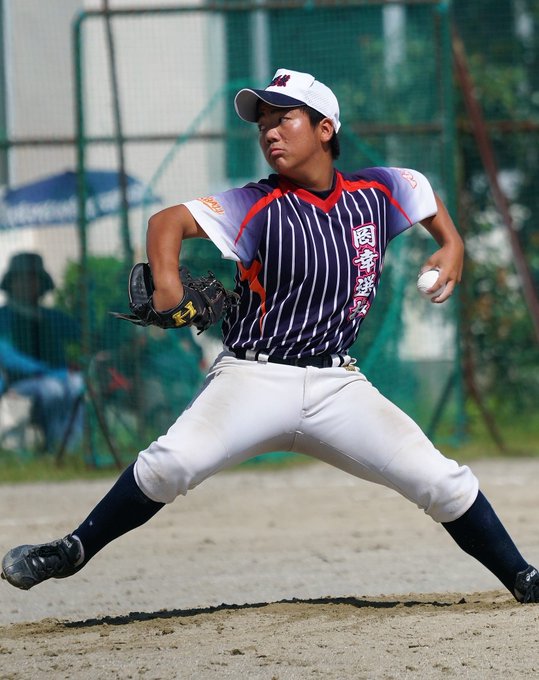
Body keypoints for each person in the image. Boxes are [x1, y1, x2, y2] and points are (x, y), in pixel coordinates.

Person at [2, 69, 538, 603]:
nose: (270, 133)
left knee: (442, 481)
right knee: (171, 465)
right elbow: (168, 222)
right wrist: (166, 284)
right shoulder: (257, 204)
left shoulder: (376, 192)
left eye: (285, 119)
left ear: (325, 129)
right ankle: (73, 549)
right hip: (252, 378)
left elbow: (421, 189)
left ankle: (523, 577)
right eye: (263, 125)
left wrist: (452, 243)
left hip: (338, 386)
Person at [0, 252, 83, 452]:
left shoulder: (51, 316)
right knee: (52, 389)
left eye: (33, 278)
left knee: (78, 384)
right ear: (12, 283)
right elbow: (8, 357)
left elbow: (83, 334)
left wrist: (82, 299)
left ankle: (72, 448)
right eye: (22, 278)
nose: (28, 283)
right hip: (18, 383)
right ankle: (55, 445)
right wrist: (45, 371)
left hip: (58, 378)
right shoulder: (3, 316)